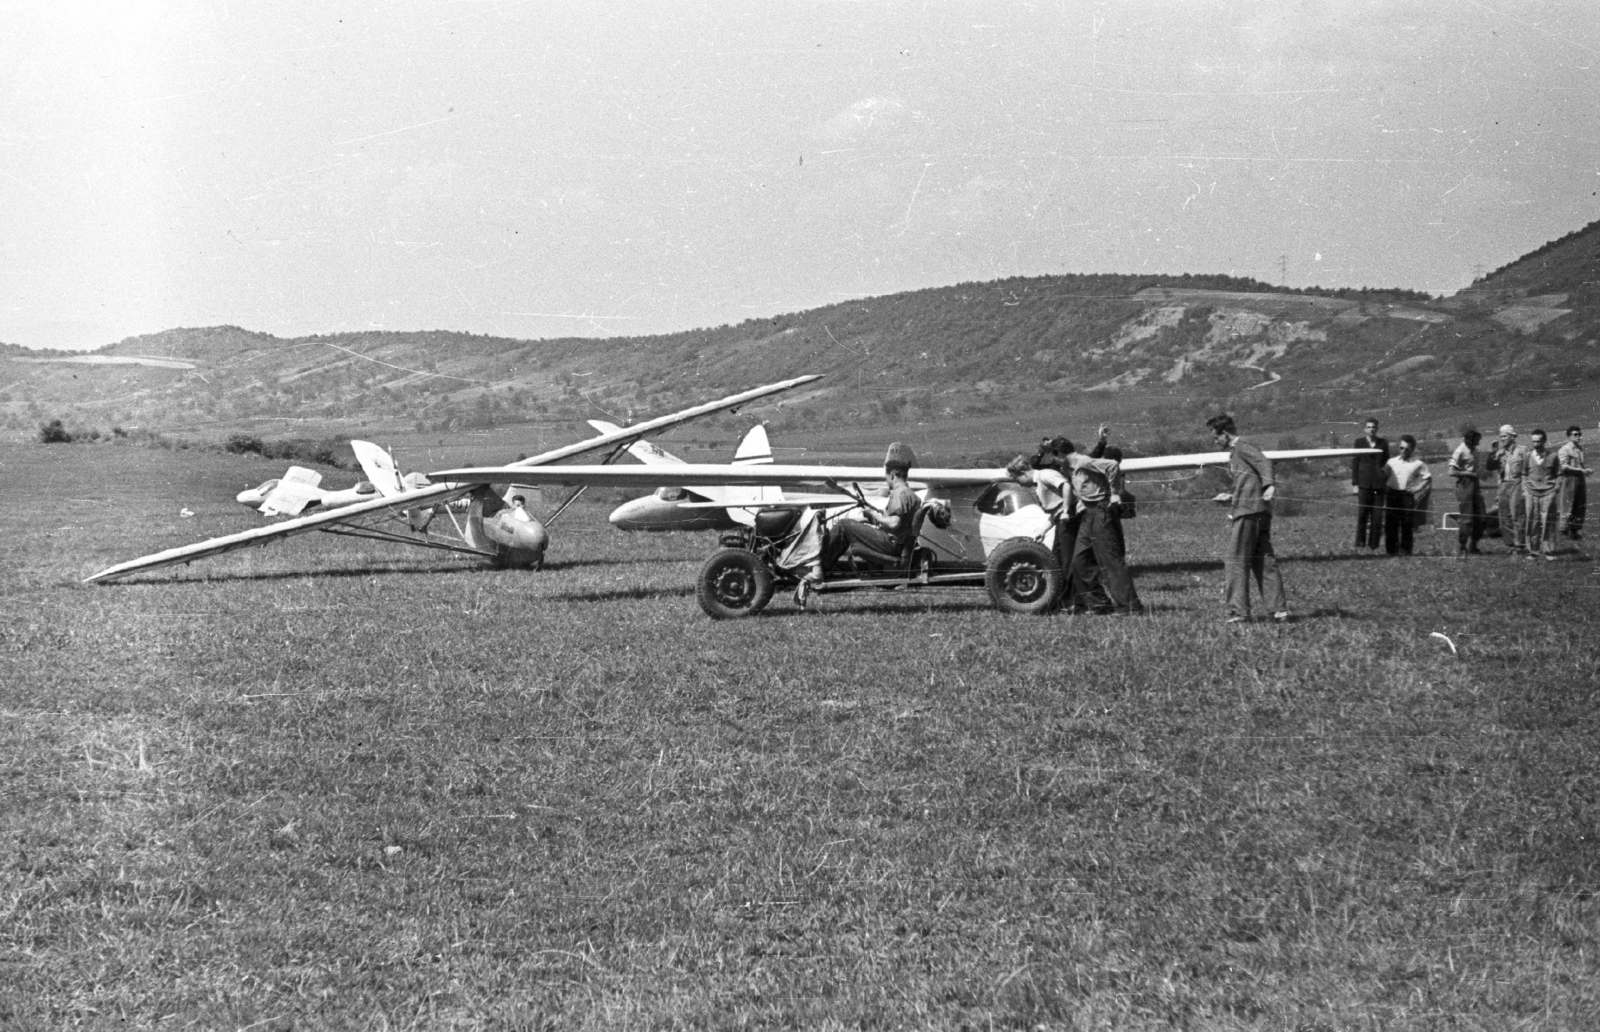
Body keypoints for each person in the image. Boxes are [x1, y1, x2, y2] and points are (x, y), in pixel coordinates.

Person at [1207, 413, 1288, 624]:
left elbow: (1264, 462)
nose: (1215, 441)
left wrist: (1269, 485)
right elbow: (1247, 484)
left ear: (1224, 433)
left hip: (1249, 512)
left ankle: (1239, 612)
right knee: (1263, 561)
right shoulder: (1236, 453)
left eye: (1216, 437)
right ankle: (1278, 610)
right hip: (1257, 509)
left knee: (1235, 560)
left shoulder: (1242, 446)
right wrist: (1231, 497)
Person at [1056, 437, 1141, 614]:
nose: (1054, 462)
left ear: (1061, 454)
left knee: (1109, 560)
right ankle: (1098, 603)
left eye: (1054, 457)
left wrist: (1115, 494)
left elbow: (1112, 466)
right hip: (1090, 512)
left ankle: (1130, 606)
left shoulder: (1082, 461)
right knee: (1079, 560)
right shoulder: (1073, 467)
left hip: (1102, 511)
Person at [815, 441, 921, 577]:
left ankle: (819, 566)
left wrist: (873, 514)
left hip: (890, 544)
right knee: (852, 526)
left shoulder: (899, 493)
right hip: (898, 545)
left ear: (893, 475)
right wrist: (874, 518)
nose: (886, 480)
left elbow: (895, 523)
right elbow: (900, 524)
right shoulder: (912, 496)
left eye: (887, 476)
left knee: (844, 525)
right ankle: (826, 565)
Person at [1382, 435, 1432, 556]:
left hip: (1406, 495)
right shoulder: (1391, 462)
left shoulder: (1418, 464)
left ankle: (1405, 550)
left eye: (1407, 449)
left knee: (1406, 523)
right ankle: (1391, 551)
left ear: (1412, 450)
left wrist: (1417, 488)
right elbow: (1383, 476)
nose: (1403, 451)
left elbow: (1428, 478)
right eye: (1401, 448)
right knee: (1391, 523)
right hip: (1392, 494)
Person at [1486, 425, 1528, 555]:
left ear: (1513, 436)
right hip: (1503, 484)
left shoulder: (1523, 450)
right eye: (1501, 435)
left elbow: (1528, 469)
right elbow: (1489, 466)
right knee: (1504, 516)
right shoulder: (1499, 452)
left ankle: (1520, 545)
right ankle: (1512, 544)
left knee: (1518, 515)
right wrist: (1493, 453)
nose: (1502, 438)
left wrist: (1526, 487)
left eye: (1505, 435)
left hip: (1518, 483)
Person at [1350, 418, 1390, 550]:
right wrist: (1355, 484)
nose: (1371, 429)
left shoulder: (1383, 443)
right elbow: (1355, 463)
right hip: (1364, 484)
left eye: (1373, 427)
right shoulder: (1359, 442)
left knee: (1377, 516)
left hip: (1379, 485)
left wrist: (1384, 478)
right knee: (1362, 514)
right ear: (1364, 429)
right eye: (1368, 427)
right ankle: (1360, 543)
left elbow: (1386, 463)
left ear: (1377, 429)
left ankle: (1374, 545)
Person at [1523, 429, 1562, 560]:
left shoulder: (1553, 456)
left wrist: (1556, 489)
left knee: (1549, 522)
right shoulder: (1528, 456)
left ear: (1544, 441)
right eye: (1533, 441)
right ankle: (1533, 551)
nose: (1536, 444)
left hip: (1548, 493)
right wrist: (1525, 489)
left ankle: (1549, 551)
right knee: (1532, 522)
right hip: (1531, 493)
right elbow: (1524, 473)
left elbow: (1559, 474)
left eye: (1539, 441)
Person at [1448, 427, 1486, 556]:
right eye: (1476, 441)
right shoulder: (1460, 451)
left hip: (1475, 484)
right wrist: (1467, 473)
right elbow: (1451, 472)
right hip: (1464, 484)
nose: (1478, 443)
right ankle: (1462, 546)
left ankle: (1473, 545)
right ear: (1469, 441)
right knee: (1466, 519)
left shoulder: (1476, 451)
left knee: (1480, 517)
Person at [1557, 425, 1589, 540]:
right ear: (1569, 436)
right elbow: (1563, 466)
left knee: (1579, 504)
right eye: (1575, 435)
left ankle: (1575, 530)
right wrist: (1580, 470)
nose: (1578, 437)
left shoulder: (1580, 449)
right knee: (1567, 503)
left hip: (1580, 478)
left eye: (1579, 434)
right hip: (1569, 478)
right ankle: (1563, 530)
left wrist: (1585, 471)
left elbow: (1580, 464)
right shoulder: (1564, 449)